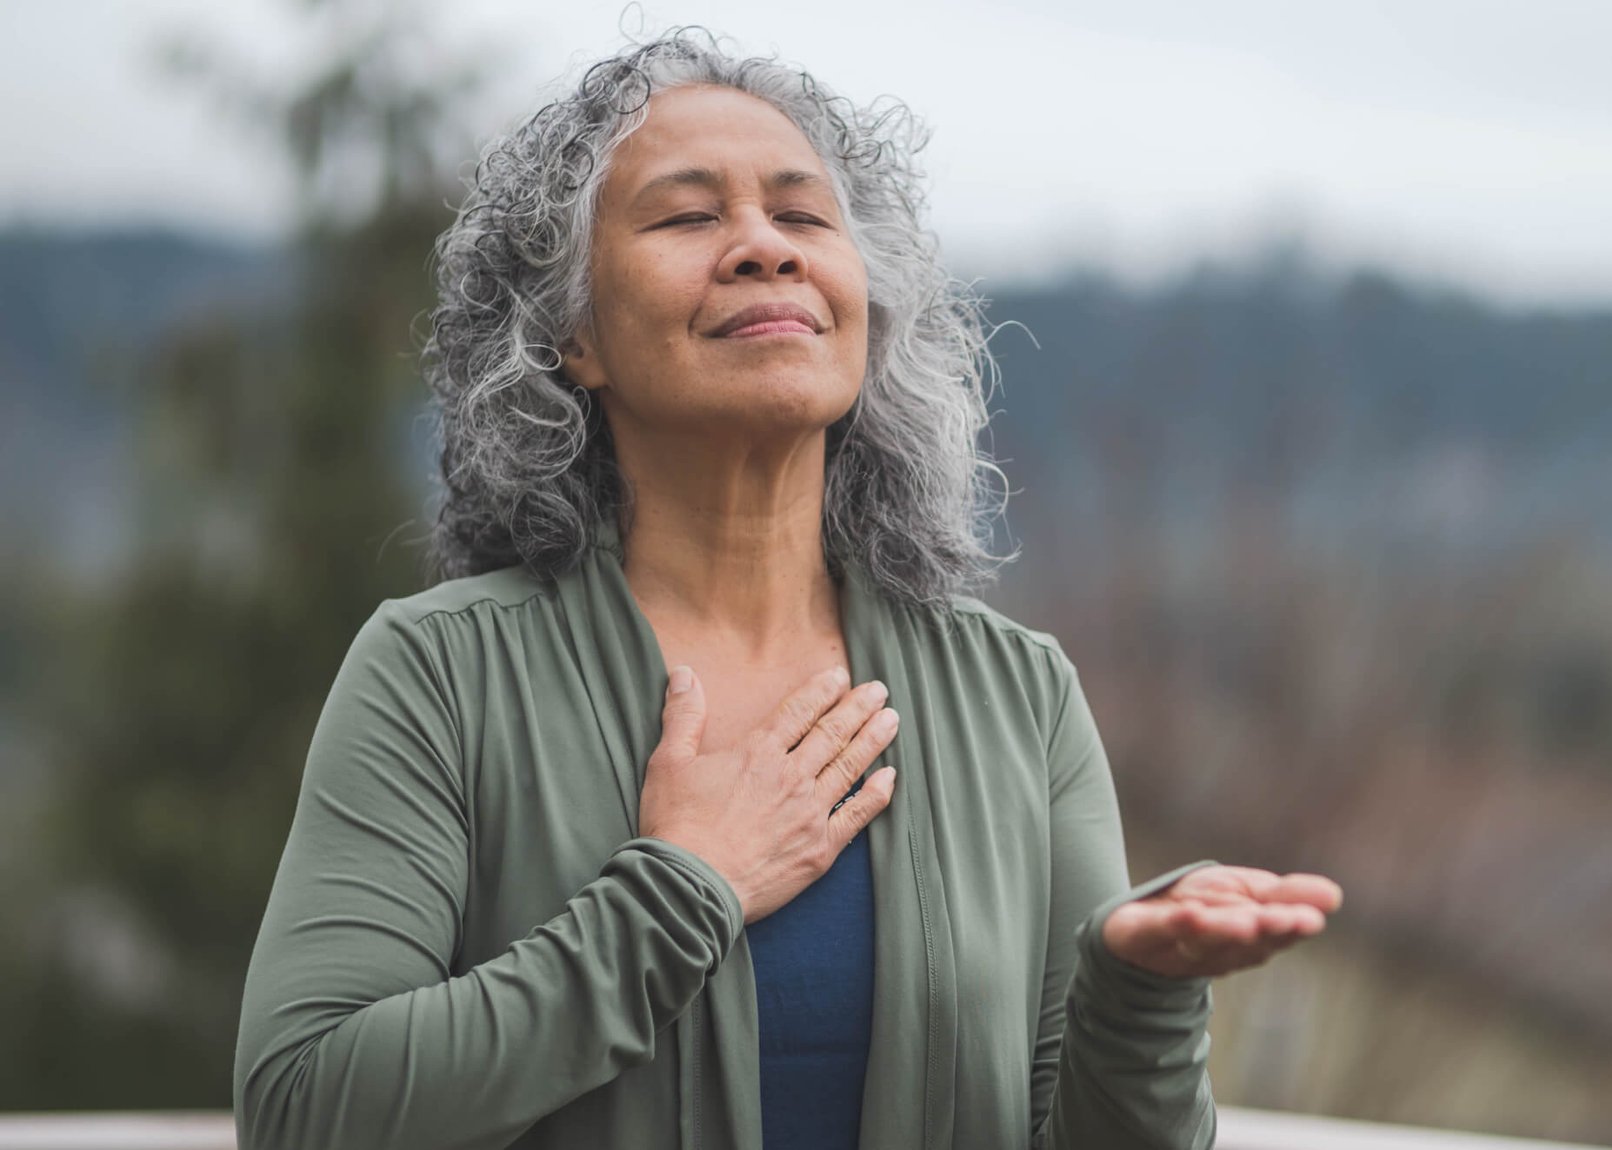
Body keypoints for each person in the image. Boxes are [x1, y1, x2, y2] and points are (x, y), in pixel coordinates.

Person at [232, 25, 1343, 1150]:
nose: (764, 246)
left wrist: (1140, 992)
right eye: (685, 214)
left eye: (803, 215)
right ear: (573, 335)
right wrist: (684, 886)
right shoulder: (440, 675)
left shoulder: (1019, 696)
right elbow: (305, 1106)